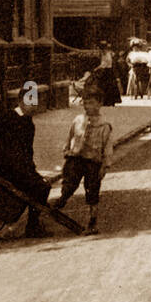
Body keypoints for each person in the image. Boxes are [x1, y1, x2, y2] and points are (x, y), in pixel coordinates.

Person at [0, 88, 50, 238]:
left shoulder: (29, 123)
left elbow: (27, 152)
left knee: (41, 185)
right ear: (20, 102)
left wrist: (32, 170)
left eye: (35, 103)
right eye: (29, 103)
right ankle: (32, 227)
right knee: (41, 188)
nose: (33, 107)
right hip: (3, 166)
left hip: (18, 167)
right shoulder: (7, 117)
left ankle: (31, 224)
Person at [54, 86, 117, 235]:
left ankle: (92, 221)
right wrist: (66, 150)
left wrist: (105, 166)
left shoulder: (104, 125)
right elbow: (70, 136)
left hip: (93, 162)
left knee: (92, 190)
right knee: (69, 179)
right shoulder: (78, 120)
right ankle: (63, 198)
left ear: (99, 104)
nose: (87, 106)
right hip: (76, 157)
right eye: (85, 103)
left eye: (91, 103)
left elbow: (107, 147)